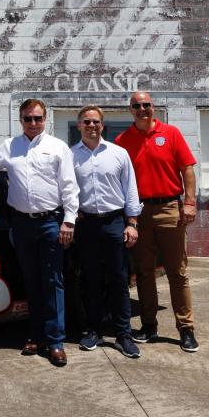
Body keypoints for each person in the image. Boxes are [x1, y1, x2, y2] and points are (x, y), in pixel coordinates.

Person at [0, 98, 78, 366]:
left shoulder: (58, 148)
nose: (33, 123)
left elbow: (70, 187)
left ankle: (55, 341)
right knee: (31, 281)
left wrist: (69, 221)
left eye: (38, 118)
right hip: (22, 224)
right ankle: (36, 335)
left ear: (45, 119)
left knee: (52, 282)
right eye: (28, 119)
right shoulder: (10, 146)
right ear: (21, 120)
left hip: (51, 222)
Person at [115, 91, 200, 353]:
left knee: (178, 272)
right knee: (144, 272)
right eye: (136, 105)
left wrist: (189, 202)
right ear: (130, 110)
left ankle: (186, 329)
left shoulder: (171, 133)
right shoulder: (122, 140)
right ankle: (149, 326)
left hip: (169, 209)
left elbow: (187, 169)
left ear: (153, 107)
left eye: (146, 104)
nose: (142, 109)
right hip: (139, 213)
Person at [71, 105, 142, 358]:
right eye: (86, 122)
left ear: (103, 125)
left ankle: (124, 334)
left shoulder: (119, 154)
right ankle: (94, 331)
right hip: (86, 225)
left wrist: (132, 223)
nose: (91, 126)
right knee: (90, 279)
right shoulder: (71, 156)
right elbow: (66, 191)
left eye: (96, 122)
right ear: (79, 125)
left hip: (114, 222)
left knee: (119, 280)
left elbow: (130, 190)